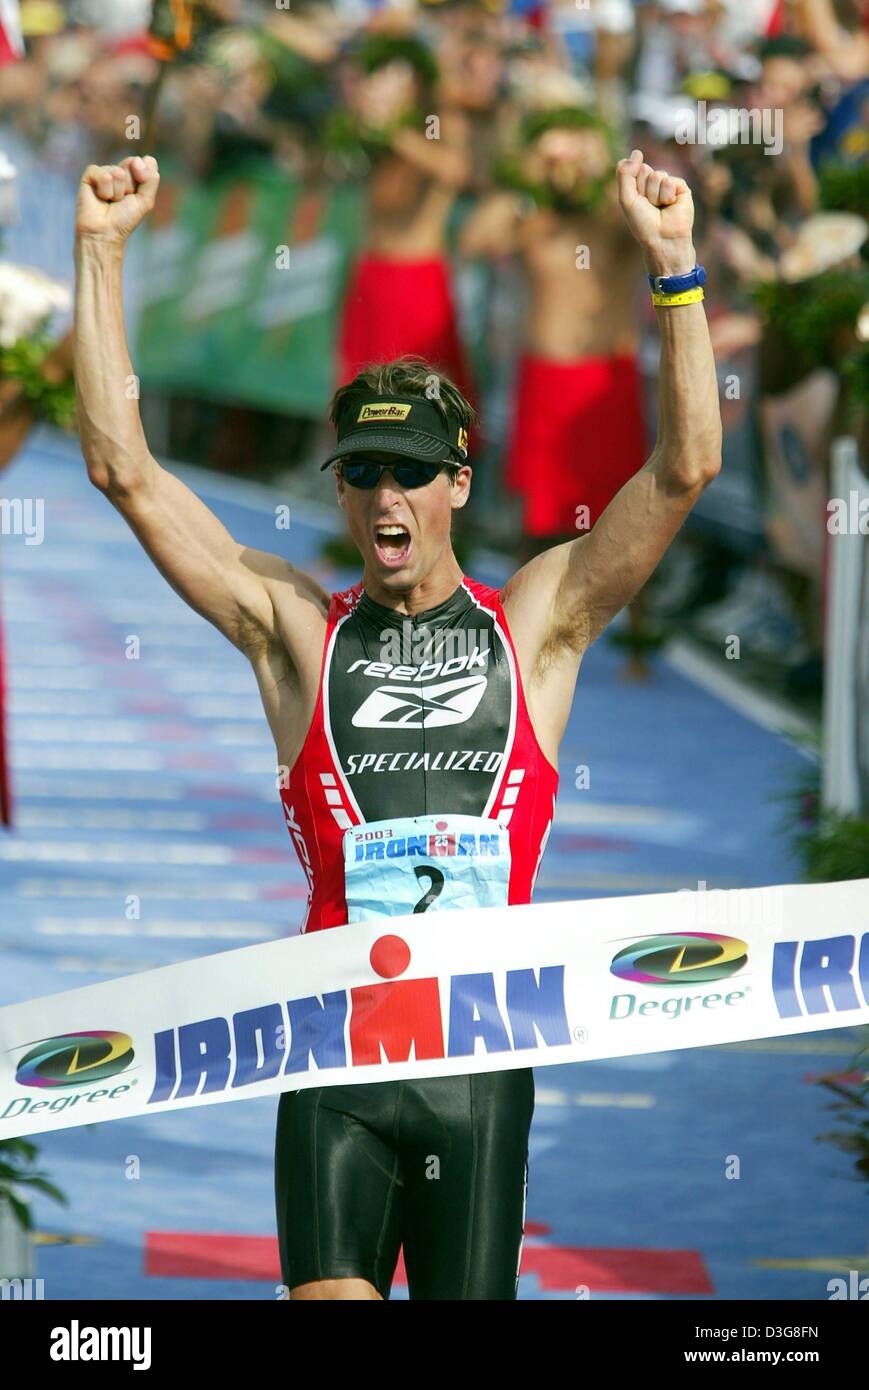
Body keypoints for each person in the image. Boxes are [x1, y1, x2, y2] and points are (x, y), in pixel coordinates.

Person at [72, 144, 722, 1299]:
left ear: (457, 483)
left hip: (478, 1070)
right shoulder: (291, 632)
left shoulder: (536, 625)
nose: (385, 496)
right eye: (362, 469)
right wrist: (100, 250)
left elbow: (681, 472)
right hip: (330, 1051)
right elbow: (123, 468)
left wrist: (672, 269)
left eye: (410, 471)